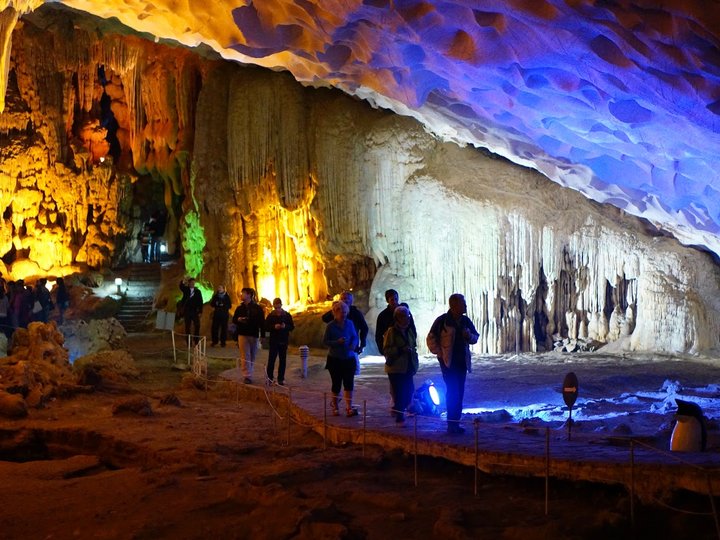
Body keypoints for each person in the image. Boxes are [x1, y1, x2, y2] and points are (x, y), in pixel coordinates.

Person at [426, 293, 479, 434]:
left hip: (462, 362)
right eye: (463, 303)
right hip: (448, 363)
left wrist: (469, 336)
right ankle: (452, 424)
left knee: (459, 392)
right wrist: (440, 353)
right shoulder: (443, 321)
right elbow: (431, 338)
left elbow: (475, 337)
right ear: (454, 305)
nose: (466, 306)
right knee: (453, 391)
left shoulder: (465, 321)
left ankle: (456, 422)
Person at [322, 300, 360, 417]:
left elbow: (354, 336)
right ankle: (336, 406)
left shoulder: (350, 324)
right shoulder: (330, 326)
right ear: (334, 312)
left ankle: (349, 407)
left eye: (344, 311)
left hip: (349, 358)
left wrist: (354, 344)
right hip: (335, 359)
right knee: (336, 384)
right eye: (339, 311)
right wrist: (336, 342)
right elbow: (325, 342)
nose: (342, 313)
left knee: (349, 383)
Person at [382, 305, 419, 424]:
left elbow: (413, 346)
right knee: (399, 392)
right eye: (405, 317)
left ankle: (403, 411)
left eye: (408, 316)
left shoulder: (409, 331)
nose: (408, 319)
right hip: (395, 368)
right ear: (398, 318)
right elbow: (386, 349)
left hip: (407, 366)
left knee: (409, 390)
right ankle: (400, 417)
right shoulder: (391, 332)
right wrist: (401, 349)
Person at [232, 287, 265, 384]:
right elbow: (234, 319)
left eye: (243, 293)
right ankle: (247, 376)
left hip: (253, 333)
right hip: (242, 333)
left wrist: (262, 335)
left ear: (249, 295)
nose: (241, 295)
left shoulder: (257, 308)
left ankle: (249, 372)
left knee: (252, 355)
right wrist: (239, 319)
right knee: (245, 354)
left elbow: (261, 322)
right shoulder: (239, 308)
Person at [321, 291, 368, 355]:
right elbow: (325, 318)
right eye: (342, 299)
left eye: (346, 298)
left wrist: (362, 344)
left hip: (351, 347)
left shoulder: (356, 313)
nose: (344, 301)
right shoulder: (335, 312)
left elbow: (364, 328)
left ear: (351, 301)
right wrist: (334, 309)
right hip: (336, 349)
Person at [375, 289, 416, 355]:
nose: (394, 302)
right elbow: (378, 335)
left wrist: (413, 342)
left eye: (395, 299)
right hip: (392, 349)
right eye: (392, 300)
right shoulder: (383, 316)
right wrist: (383, 350)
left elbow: (412, 327)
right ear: (387, 301)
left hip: (407, 346)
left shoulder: (405, 312)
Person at [264, 297, 294, 385]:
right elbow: (266, 327)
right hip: (274, 341)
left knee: (282, 360)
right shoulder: (270, 316)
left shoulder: (287, 315)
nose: (277, 310)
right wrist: (274, 327)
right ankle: (269, 378)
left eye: (278, 307)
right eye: (276, 308)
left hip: (283, 340)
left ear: (281, 305)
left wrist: (285, 327)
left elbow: (292, 326)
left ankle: (281, 378)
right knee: (272, 360)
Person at [178, 277, 204, 344]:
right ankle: (189, 342)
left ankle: (196, 340)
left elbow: (200, 301)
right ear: (189, 283)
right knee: (187, 326)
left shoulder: (198, 291)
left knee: (197, 325)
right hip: (187, 311)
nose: (193, 284)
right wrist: (183, 280)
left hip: (195, 311)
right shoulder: (186, 289)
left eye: (194, 283)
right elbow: (181, 286)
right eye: (191, 283)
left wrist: (200, 311)